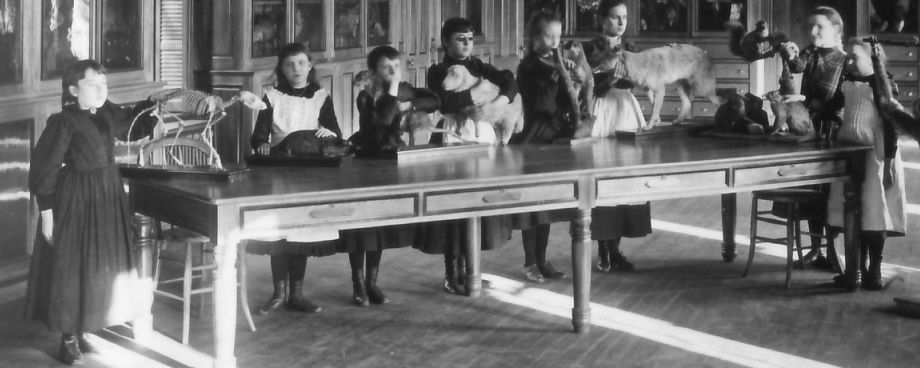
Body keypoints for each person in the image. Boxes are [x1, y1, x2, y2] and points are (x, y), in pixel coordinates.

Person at [25, 60, 160, 364]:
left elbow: (131, 126)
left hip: (107, 195)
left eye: (104, 83)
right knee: (72, 266)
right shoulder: (63, 121)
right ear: (73, 90)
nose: (101, 89)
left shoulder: (107, 110)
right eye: (92, 84)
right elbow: (43, 169)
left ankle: (85, 328)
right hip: (75, 197)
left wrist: (152, 106)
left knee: (97, 265)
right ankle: (68, 337)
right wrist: (47, 213)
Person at [415, 17, 515, 294]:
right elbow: (446, 101)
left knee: (477, 202)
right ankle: (452, 272)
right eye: (461, 38)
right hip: (453, 134)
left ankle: (473, 270)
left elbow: (509, 81)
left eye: (471, 38)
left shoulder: (478, 66)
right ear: (446, 42)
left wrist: (500, 100)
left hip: (480, 132)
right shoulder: (438, 71)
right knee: (454, 203)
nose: (467, 43)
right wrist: (481, 92)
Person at [248, 43, 342, 315]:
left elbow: (335, 131)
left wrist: (328, 131)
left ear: (310, 66)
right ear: (281, 69)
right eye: (290, 65)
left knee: (301, 233)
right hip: (279, 170)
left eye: (301, 63)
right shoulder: (271, 95)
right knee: (279, 233)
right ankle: (278, 293)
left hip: (308, 171)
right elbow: (259, 136)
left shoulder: (321, 96)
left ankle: (297, 294)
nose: (296, 69)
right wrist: (262, 144)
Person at [341, 45, 440, 305]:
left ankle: (373, 282)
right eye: (387, 67)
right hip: (367, 162)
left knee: (379, 225)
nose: (394, 72)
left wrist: (409, 103)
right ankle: (358, 283)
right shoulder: (365, 95)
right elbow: (383, 120)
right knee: (361, 228)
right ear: (374, 71)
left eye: (397, 66)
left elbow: (434, 99)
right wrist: (395, 95)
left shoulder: (402, 89)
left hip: (391, 160)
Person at [826, 38, 906, 290]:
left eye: (855, 57)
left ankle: (875, 270)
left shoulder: (881, 84)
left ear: (873, 60)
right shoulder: (846, 81)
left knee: (874, 211)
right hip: (848, 153)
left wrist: (889, 162)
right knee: (851, 213)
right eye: (847, 56)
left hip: (875, 154)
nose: (849, 61)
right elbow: (834, 107)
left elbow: (892, 126)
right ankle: (856, 267)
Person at [581, 0, 652, 273]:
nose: (621, 23)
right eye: (614, 17)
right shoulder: (589, 48)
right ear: (602, 19)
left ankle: (616, 248)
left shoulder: (630, 47)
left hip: (626, 110)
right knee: (603, 179)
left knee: (626, 178)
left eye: (623, 17)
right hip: (602, 109)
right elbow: (587, 85)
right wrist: (609, 75)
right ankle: (603, 250)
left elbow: (639, 77)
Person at [508, 11, 576, 283]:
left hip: (552, 137)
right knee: (531, 205)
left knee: (546, 204)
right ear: (534, 38)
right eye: (549, 36)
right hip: (532, 138)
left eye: (558, 36)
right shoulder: (528, 66)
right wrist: (556, 77)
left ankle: (543, 259)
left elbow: (563, 105)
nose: (555, 42)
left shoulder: (555, 65)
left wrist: (569, 82)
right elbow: (540, 104)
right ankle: (529, 262)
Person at [779, 6, 848, 271]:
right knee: (810, 191)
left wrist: (802, 99)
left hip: (830, 131)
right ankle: (816, 250)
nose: (813, 31)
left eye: (819, 26)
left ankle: (832, 251)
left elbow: (830, 98)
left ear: (836, 30)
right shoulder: (811, 53)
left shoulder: (842, 59)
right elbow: (796, 66)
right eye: (811, 26)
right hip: (809, 129)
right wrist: (790, 55)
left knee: (828, 194)